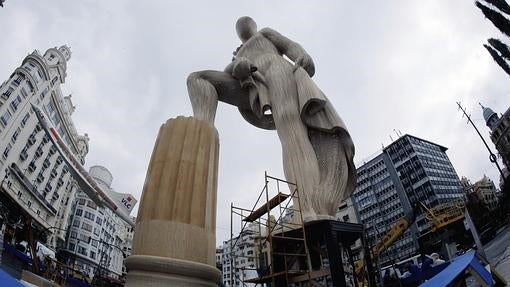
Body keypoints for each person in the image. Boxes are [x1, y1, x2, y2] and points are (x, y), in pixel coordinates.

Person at [187, 16, 355, 220]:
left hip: (277, 72)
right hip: (249, 79)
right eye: (240, 25)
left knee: (291, 130)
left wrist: (302, 57)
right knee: (197, 79)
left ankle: (306, 208)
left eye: (246, 22)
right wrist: (237, 65)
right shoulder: (237, 53)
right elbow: (228, 72)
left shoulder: (265, 33)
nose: (243, 25)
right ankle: (201, 134)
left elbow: (294, 48)